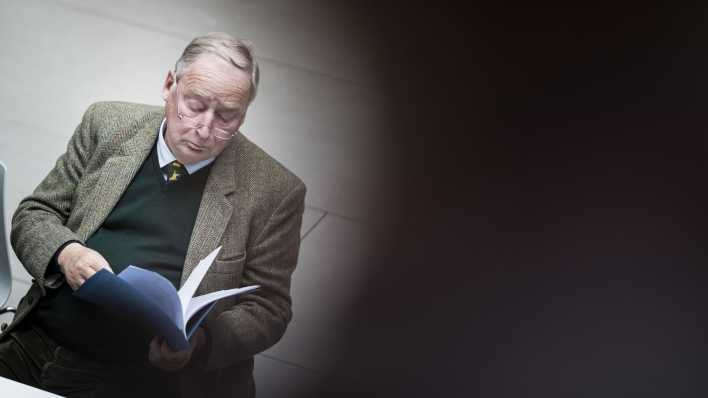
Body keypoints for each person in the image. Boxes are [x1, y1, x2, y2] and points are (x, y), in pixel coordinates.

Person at [0, 32, 305, 397]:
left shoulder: (274, 190)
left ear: (243, 115)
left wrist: (201, 342)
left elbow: (269, 307)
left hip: (153, 380)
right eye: (194, 105)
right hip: (42, 344)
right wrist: (68, 253)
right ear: (168, 85)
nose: (204, 128)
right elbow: (36, 213)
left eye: (226, 116)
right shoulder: (107, 125)